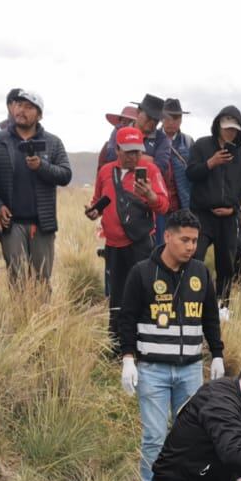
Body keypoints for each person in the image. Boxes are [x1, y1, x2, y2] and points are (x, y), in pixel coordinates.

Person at [117, 209, 223, 481]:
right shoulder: (141, 273)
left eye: (195, 240)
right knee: (154, 435)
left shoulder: (201, 274)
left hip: (190, 369)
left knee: (190, 435)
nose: (191, 246)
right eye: (184, 239)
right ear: (167, 236)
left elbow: (210, 318)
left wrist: (217, 353)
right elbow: (127, 319)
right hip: (152, 370)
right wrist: (127, 358)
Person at [0, 89, 71, 288]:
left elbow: (66, 175)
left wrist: (42, 166)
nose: (21, 110)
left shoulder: (52, 142)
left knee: (42, 279)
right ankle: (20, 318)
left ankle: (41, 319)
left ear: (39, 114)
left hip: (43, 223)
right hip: (11, 223)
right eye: (19, 105)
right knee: (17, 278)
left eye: (29, 107)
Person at [90, 126, 170, 337]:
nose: (135, 157)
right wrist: (93, 212)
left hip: (140, 244)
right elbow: (97, 202)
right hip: (113, 246)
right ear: (117, 149)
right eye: (129, 151)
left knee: (144, 290)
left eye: (138, 151)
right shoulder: (106, 171)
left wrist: (150, 195)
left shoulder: (151, 171)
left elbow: (163, 206)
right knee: (116, 295)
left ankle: (146, 337)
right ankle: (117, 340)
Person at [187, 105, 241, 314]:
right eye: (227, 127)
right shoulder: (202, 145)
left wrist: (233, 209)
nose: (230, 132)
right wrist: (210, 163)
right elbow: (191, 173)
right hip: (202, 216)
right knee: (194, 258)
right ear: (218, 125)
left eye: (234, 128)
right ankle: (191, 302)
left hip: (228, 218)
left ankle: (222, 307)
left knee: (226, 265)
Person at [102, 94, 165, 165]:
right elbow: (111, 156)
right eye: (149, 117)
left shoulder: (162, 139)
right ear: (138, 112)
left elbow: (161, 165)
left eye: (156, 119)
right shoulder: (119, 129)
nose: (152, 122)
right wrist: (148, 159)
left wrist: (126, 155)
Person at [158, 98, 195, 216]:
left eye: (176, 118)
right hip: (157, 205)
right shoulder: (152, 140)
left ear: (181, 120)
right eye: (167, 117)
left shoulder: (188, 142)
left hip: (183, 205)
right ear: (161, 118)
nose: (171, 122)